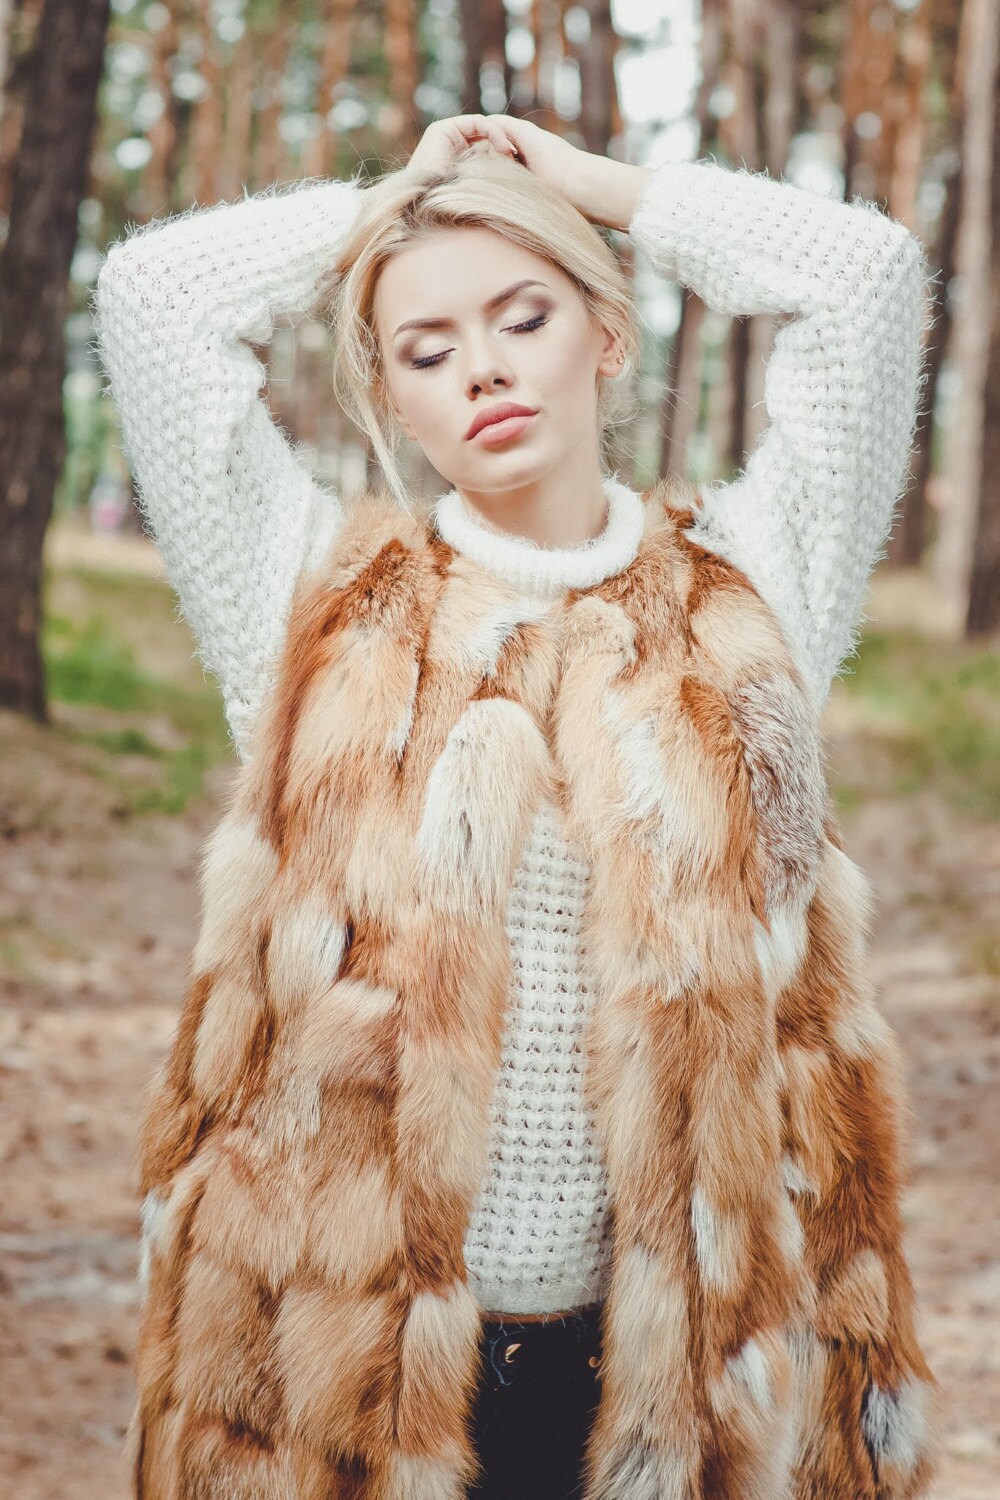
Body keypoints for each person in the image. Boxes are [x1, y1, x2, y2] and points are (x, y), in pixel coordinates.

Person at [94, 113, 938, 1499]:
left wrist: (596, 189)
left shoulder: (750, 589)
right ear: (394, 396)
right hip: (344, 1370)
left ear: (606, 337)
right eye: (426, 350)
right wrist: (409, 193)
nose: (480, 366)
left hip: (662, 1372)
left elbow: (865, 281)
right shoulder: (319, 604)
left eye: (523, 315)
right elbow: (154, 296)